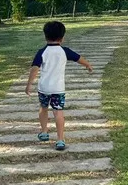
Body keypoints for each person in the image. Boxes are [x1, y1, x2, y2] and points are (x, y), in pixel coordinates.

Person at [25, 20, 93, 151]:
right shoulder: (64, 51)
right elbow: (79, 58)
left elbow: (34, 68)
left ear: (45, 36)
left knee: (43, 108)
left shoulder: (42, 52)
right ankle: (60, 140)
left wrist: (29, 84)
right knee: (58, 112)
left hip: (44, 88)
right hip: (58, 88)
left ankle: (44, 132)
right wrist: (88, 65)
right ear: (62, 37)